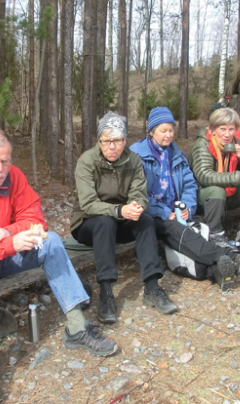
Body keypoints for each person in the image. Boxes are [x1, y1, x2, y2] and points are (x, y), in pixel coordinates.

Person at [0, 127, 119, 403]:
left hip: (1, 253)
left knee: (52, 241)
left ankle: (77, 326)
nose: (0, 169)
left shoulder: (14, 177)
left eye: (5, 161)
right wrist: (9, 244)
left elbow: (36, 219)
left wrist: (9, 232)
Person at [71, 112, 178, 324]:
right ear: (99, 141)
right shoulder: (87, 161)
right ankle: (107, 291)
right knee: (104, 221)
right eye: (107, 141)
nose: (112, 146)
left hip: (121, 220)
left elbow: (139, 193)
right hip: (88, 223)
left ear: (125, 141)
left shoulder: (134, 161)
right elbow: (88, 203)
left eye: (118, 141)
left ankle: (152, 287)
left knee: (146, 220)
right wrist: (120, 210)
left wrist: (137, 206)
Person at [130, 107, 240, 291]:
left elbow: (189, 184)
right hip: (150, 213)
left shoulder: (175, 153)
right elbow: (136, 193)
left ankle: (216, 271)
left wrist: (187, 207)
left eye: (171, 130)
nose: (168, 135)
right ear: (152, 131)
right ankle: (225, 255)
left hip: (175, 210)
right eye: (163, 131)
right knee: (179, 232)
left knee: (187, 238)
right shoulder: (137, 155)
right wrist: (164, 212)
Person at [188, 107, 240, 242]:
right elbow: (204, 176)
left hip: (229, 193)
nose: (227, 134)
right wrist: (238, 178)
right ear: (213, 129)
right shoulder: (203, 145)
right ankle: (214, 233)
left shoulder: (235, 143)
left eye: (231, 129)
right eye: (222, 129)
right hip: (202, 196)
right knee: (216, 190)